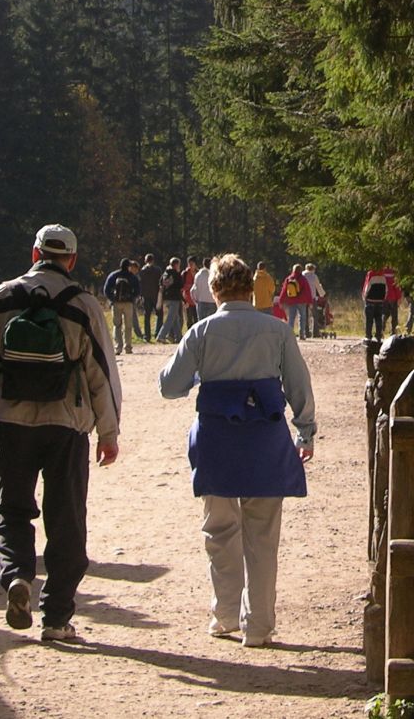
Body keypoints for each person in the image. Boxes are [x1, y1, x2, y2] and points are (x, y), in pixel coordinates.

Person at [0, 224, 120, 644]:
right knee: (66, 519)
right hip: (66, 424)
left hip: (9, 422)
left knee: (11, 509)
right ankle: (57, 619)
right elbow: (101, 372)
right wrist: (108, 432)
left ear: (34, 253)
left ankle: (17, 576)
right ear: (72, 260)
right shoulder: (83, 304)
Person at [158, 253, 314, 648]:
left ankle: (225, 615)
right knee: (262, 536)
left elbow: (169, 386)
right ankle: (258, 626)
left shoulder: (202, 332)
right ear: (250, 287)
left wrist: (199, 372)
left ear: (214, 289)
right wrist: (306, 432)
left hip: (218, 442)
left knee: (219, 530)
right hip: (265, 440)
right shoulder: (277, 330)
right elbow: (298, 385)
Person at [102, 258, 138, 354]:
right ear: (128, 266)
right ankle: (128, 347)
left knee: (117, 325)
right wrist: (132, 298)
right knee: (128, 325)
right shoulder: (132, 276)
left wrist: (112, 299)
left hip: (116, 303)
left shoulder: (113, 275)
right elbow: (138, 290)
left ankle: (118, 347)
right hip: (128, 303)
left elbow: (106, 289)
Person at [361, 264, 400, 343]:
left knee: (371, 319)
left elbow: (367, 286)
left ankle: (369, 336)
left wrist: (365, 297)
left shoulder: (371, 273)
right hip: (384, 299)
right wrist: (398, 297)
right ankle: (381, 335)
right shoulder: (388, 273)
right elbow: (389, 287)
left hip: (372, 300)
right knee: (382, 318)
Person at [278, 264, 311, 340]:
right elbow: (307, 291)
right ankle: (302, 335)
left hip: (291, 301)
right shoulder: (303, 279)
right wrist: (310, 301)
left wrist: (281, 300)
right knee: (302, 318)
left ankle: (289, 335)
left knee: (291, 318)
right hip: (302, 301)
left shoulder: (289, 278)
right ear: (301, 270)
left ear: (293, 270)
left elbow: (284, 290)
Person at [136, 253, 162, 344]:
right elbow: (160, 282)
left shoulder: (142, 271)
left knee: (147, 316)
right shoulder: (157, 270)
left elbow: (140, 284)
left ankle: (147, 335)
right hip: (155, 295)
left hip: (146, 296)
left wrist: (141, 295)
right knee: (159, 314)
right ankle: (158, 333)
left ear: (145, 260)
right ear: (153, 260)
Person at [158, 256, 185, 343]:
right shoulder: (176, 274)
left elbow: (160, 283)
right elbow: (181, 285)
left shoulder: (165, 273)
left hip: (166, 298)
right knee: (170, 318)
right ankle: (161, 335)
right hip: (174, 298)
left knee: (175, 318)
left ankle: (179, 337)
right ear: (176, 264)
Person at [302, 264, 327, 338]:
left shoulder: (302, 275)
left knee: (304, 315)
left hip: (303, 298)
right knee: (314, 315)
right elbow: (318, 286)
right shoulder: (314, 276)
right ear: (313, 269)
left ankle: (305, 332)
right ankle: (315, 333)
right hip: (312, 298)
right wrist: (323, 294)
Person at [192, 256, 216, 322]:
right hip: (212, 302)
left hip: (201, 302)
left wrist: (195, 300)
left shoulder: (198, 275)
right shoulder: (214, 275)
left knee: (201, 323)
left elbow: (193, 290)